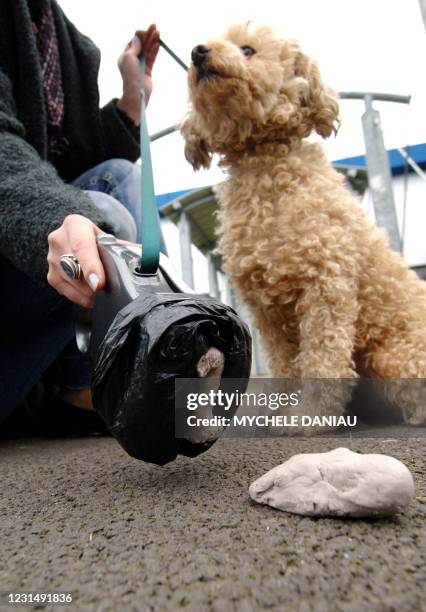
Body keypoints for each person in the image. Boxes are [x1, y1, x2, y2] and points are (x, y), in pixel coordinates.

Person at [0, 0, 164, 435]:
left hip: (29, 255)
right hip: (16, 233)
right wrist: (60, 219)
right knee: (104, 215)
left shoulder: (69, 44)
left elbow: (78, 161)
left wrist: (133, 99)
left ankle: (157, 348)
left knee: (122, 177)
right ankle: (85, 385)